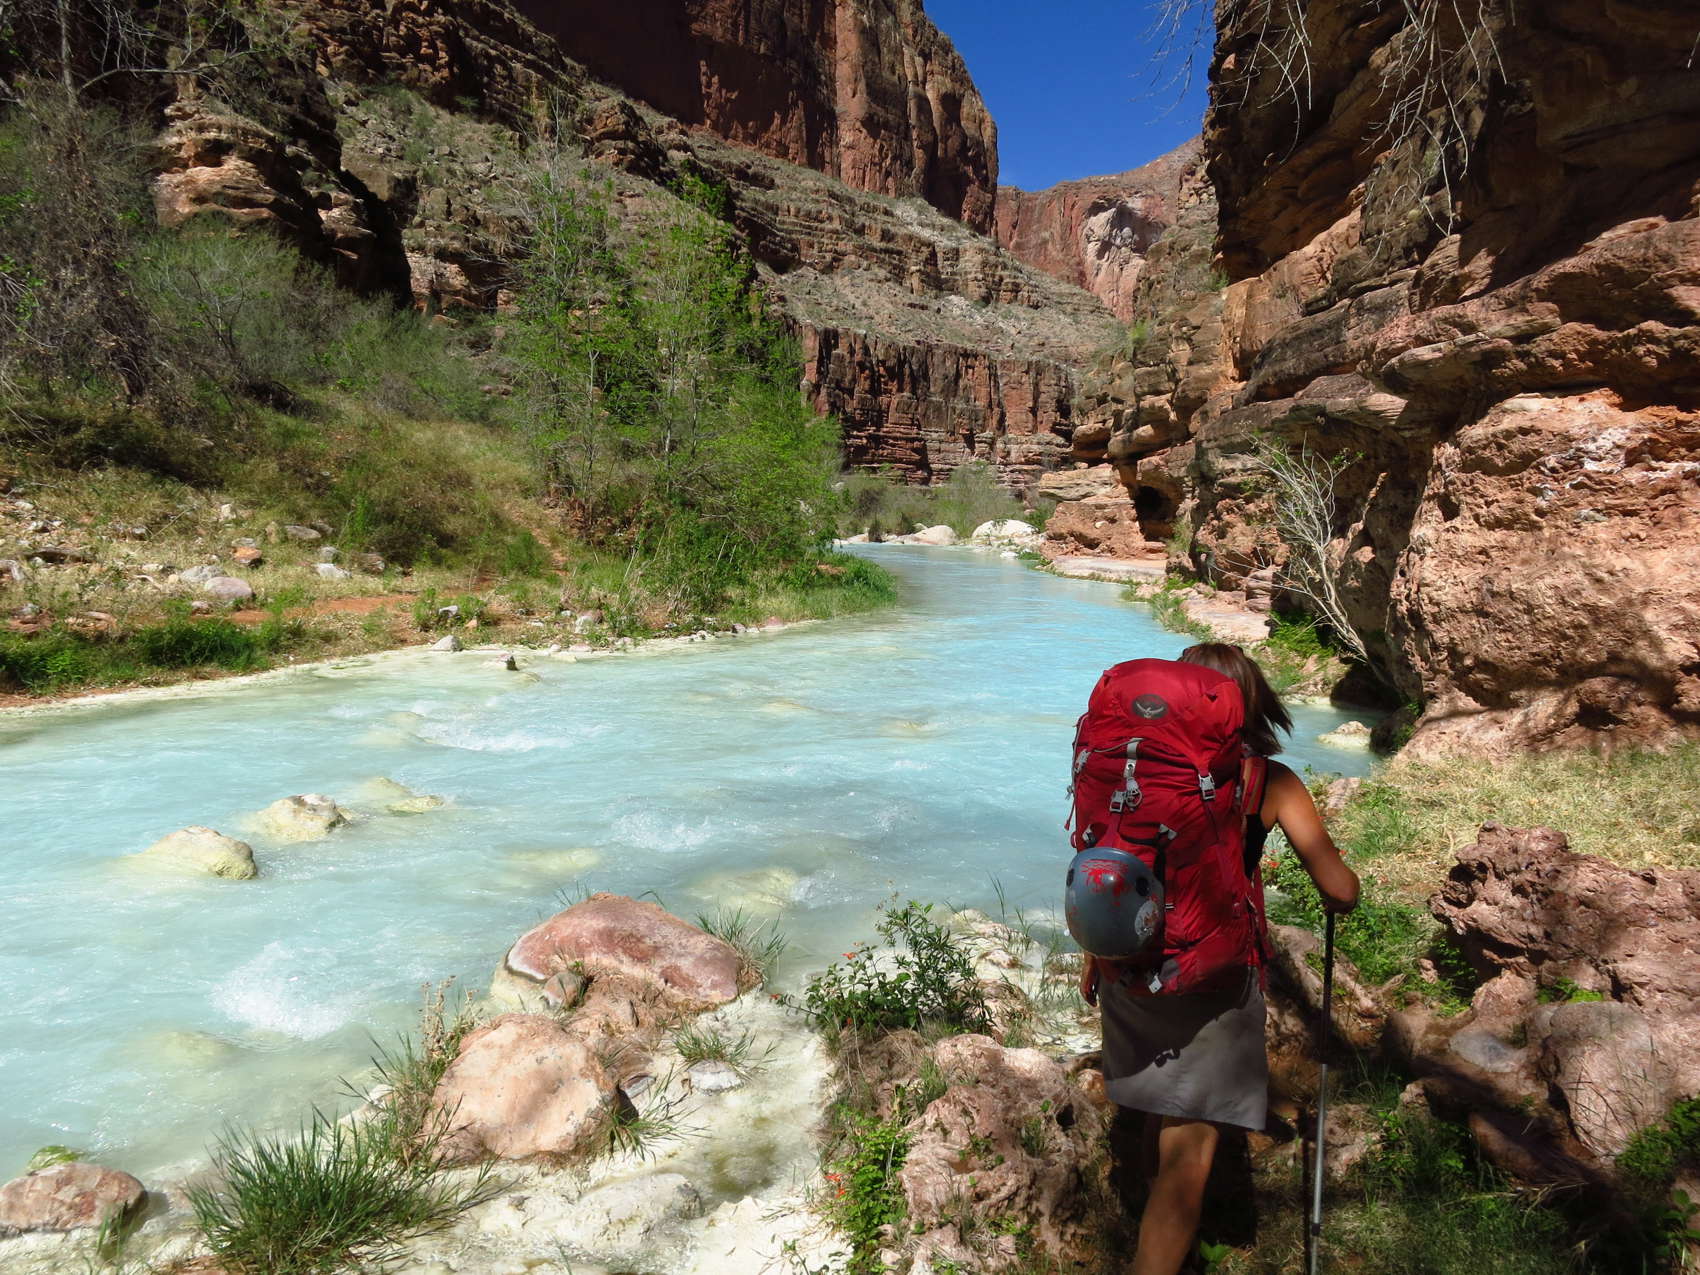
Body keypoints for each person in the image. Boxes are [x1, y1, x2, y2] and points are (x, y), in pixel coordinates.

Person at [1079, 641, 1359, 1275]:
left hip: (1130, 965)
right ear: (1249, 703)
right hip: (1212, 978)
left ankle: (1160, 1236)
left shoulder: (1133, 771)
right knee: (1191, 1147)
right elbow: (1339, 890)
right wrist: (1347, 890)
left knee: (1160, 1107)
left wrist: (1095, 954)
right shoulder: (1270, 781)